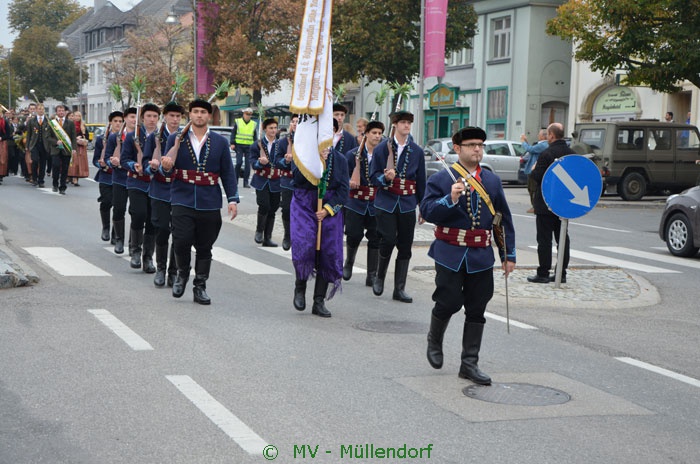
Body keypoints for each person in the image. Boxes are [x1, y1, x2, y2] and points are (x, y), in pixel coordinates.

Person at [420, 126, 516, 385]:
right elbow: (427, 211)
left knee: (477, 307)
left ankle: (469, 363)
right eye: (472, 145)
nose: (477, 149)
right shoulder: (442, 179)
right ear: (457, 148)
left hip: (481, 255)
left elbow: (501, 219)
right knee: (449, 301)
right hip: (450, 253)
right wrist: (450, 198)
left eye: (480, 145)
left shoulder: (492, 181)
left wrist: (508, 254)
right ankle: (434, 340)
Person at [160, 99, 239, 305]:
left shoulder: (220, 142)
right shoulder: (177, 138)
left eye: (203, 112)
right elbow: (166, 167)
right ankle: (182, 274)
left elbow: (228, 173)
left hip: (209, 200)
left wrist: (232, 199)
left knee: (205, 246)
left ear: (209, 116)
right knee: (181, 240)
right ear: (190, 114)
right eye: (195, 111)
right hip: (182, 196)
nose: (199, 115)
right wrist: (166, 166)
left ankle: (200, 286)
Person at [291, 118, 349, 318]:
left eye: (330, 130)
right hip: (305, 204)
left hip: (328, 207)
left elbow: (344, 190)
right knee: (305, 244)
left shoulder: (340, 159)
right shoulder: (304, 155)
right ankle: (300, 287)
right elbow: (296, 179)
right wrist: (316, 160)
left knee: (328, 251)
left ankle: (319, 300)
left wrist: (328, 209)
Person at [369, 110, 426, 303]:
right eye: (403, 122)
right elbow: (372, 176)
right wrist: (385, 178)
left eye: (409, 123)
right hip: (386, 201)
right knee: (387, 239)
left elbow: (421, 180)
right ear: (395, 125)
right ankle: (379, 277)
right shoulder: (382, 148)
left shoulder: (417, 151)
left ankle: (399, 289)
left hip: (407, 203)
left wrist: (423, 206)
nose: (406, 126)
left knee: (405, 245)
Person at [527, 122, 575, 284]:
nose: (547, 137)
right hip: (565, 204)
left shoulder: (547, 154)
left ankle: (543, 273)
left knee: (544, 240)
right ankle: (561, 273)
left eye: (548, 134)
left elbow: (538, 177)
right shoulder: (572, 154)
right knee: (563, 239)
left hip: (546, 203)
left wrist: (534, 169)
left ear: (552, 135)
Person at [143, 101, 185, 288]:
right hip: (159, 190)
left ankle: (173, 272)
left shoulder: (184, 137)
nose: (175, 120)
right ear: (165, 117)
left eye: (178, 116)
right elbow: (145, 163)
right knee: (161, 229)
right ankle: (160, 268)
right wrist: (152, 167)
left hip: (178, 191)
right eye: (171, 116)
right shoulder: (155, 137)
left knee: (179, 232)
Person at [343, 120, 383, 286]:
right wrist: (349, 181)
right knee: (353, 234)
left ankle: (372, 274)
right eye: (374, 133)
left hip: (375, 202)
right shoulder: (352, 155)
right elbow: (343, 176)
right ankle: (349, 263)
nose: (377, 136)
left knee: (375, 237)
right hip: (355, 201)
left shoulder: (384, 155)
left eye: (380, 133)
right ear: (366, 134)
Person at [121, 103, 160, 273]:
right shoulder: (133, 136)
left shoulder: (161, 137)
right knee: (138, 214)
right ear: (142, 118)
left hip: (155, 184)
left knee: (153, 220)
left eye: (155, 116)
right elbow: (124, 160)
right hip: (136, 182)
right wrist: (133, 165)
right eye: (149, 116)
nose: (152, 120)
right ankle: (135, 250)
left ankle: (148, 257)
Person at [107, 107, 138, 254]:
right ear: (125, 118)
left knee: (136, 212)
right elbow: (107, 157)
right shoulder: (115, 137)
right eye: (131, 117)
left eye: (137, 117)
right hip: (120, 177)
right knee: (119, 208)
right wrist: (112, 161)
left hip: (136, 179)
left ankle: (133, 243)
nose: (134, 120)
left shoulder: (142, 137)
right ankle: (119, 239)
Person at [249, 117, 282, 247]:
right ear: (264, 129)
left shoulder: (281, 144)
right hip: (262, 180)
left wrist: (285, 161)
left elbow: (282, 162)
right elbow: (252, 162)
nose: (273, 130)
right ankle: (259, 231)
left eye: (275, 128)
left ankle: (268, 238)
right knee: (264, 205)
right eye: (270, 128)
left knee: (273, 208)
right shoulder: (257, 145)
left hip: (276, 180)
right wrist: (259, 163)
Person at [93, 111, 123, 243]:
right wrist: (101, 164)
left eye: (120, 121)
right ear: (110, 122)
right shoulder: (102, 139)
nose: (118, 124)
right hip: (106, 175)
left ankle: (116, 233)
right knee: (106, 201)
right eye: (115, 121)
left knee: (118, 206)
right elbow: (95, 159)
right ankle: (105, 227)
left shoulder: (126, 138)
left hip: (120, 177)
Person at [275, 114, 298, 250]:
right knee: (286, 208)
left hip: (302, 181)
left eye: (297, 122)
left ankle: (298, 236)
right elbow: (276, 161)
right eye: (293, 121)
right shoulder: (283, 142)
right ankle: (287, 235)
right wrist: (285, 161)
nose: (295, 124)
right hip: (287, 179)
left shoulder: (306, 140)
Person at [49, 104, 78, 195]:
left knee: (65, 169)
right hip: (55, 149)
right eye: (59, 111)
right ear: (56, 112)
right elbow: (48, 137)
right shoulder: (52, 123)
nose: (61, 112)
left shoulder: (70, 123)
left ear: (65, 112)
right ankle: (55, 184)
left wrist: (74, 148)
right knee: (56, 166)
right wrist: (56, 142)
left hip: (67, 148)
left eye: (62, 111)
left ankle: (62, 187)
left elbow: (73, 137)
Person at [520, 129, 549, 213]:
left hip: (535, 170)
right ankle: (534, 205)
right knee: (530, 188)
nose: (538, 136)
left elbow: (531, 149)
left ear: (543, 136)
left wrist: (523, 142)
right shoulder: (540, 145)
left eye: (539, 134)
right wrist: (526, 141)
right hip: (532, 169)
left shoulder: (544, 145)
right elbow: (532, 149)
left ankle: (535, 206)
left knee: (533, 189)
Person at [229, 107, 257, 188]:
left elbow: (254, 136)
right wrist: (232, 143)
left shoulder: (253, 124)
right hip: (239, 145)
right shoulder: (238, 122)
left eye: (250, 115)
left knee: (248, 165)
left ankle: (246, 182)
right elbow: (233, 133)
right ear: (243, 114)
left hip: (249, 146)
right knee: (239, 162)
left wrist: (255, 146)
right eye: (247, 114)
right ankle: (235, 181)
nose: (248, 116)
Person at [25, 103, 51, 188]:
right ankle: (34, 178)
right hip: (34, 144)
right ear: (36, 110)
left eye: (42, 109)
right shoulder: (32, 121)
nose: (41, 111)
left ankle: (41, 180)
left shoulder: (48, 121)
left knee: (43, 163)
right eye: (39, 109)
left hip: (44, 145)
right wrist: (27, 146)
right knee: (35, 161)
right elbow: (29, 134)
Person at [67, 111, 90, 186]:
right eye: (76, 116)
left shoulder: (83, 125)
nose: (77, 117)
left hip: (81, 147)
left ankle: (76, 178)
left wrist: (83, 137)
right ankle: (70, 176)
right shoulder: (70, 124)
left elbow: (87, 136)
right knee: (72, 162)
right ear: (73, 116)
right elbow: (67, 135)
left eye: (79, 116)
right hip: (72, 146)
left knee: (79, 163)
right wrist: (75, 138)